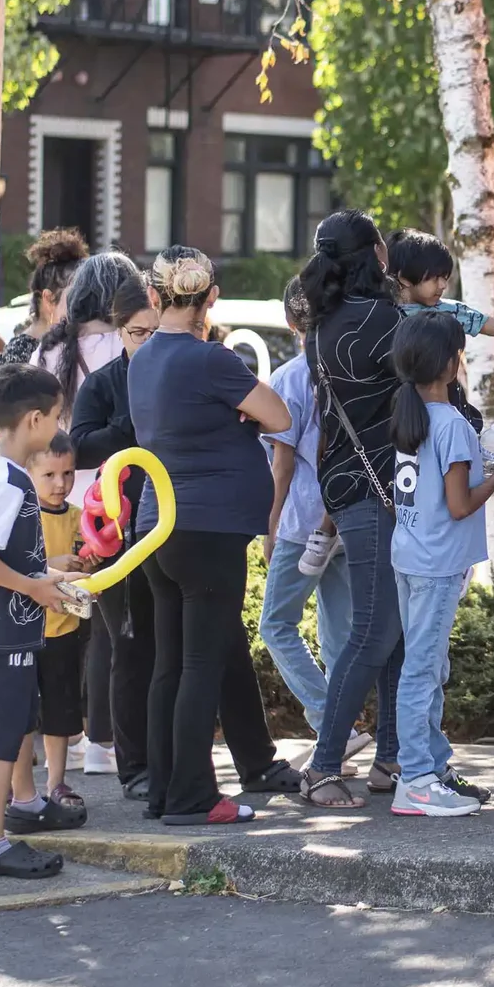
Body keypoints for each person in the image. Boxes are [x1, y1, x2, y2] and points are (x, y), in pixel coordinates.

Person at [129, 246, 298, 826]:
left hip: (158, 525)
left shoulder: (141, 358)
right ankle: (193, 796)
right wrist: (239, 415)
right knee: (201, 664)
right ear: (212, 298)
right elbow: (280, 416)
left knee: (170, 665)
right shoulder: (213, 360)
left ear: (154, 297)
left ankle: (163, 791)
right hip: (209, 525)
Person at [386, 311, 494, 817]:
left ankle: (434, 767)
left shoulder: (409, 416)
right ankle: (417, 780)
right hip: (438, 563)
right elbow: (460, 505)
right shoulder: (453, 425)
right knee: (422, 671)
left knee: (428, 666)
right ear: (450, 363)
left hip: (410, 554)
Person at [0, 363, 87, 879]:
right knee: (1, 742)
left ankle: (27, 805)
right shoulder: (9, 482)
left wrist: (53, 576)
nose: (59, 425)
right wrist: (35, 588)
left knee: (15, 728)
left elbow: (10, 556)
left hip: (8, 629)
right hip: (0, 635)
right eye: (56, 416)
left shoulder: (2, 473)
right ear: (35, 420)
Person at [301, 211, 411, 809]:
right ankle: (322, 767)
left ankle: (390, 758)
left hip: (346, 483)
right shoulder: (386, 319)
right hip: (380, 488)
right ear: (375, 254)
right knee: (374, 631)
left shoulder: (323, 322)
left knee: (389, 630)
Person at [36, 254, 144, 776]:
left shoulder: (51, 346)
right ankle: (103, 741)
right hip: (109, 502)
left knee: (60, 627)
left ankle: (68, 737)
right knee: (108, 627)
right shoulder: (122, 345)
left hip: (56, 497)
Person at [259, 278, 356, 739]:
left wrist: (270, 525)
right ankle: (341, 731)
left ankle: (330, 723)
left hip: (302, 521)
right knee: (340, 636)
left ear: (289, 322)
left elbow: (282, 465)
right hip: (346, 517)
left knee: (276, 625)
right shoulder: (351, 369)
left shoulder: (289, 378)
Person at [71, 289, 159, 795]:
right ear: (119, 331)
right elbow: (79, 446)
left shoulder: (176, 372)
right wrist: (127, 428)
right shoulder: (105, 382)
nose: (146, 341)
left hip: (176, 522)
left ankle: (168, 756)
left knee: (171, 646)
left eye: (155, 331)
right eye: (137, 332)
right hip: (119, 531)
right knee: (127, 645)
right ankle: (135, 766)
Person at [30, 432, 95, 814]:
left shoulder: (77, 517)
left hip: (64, 631)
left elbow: (89, 564)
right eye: (50, 475)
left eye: (68, 473)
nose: (60, 483)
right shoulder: (23, 516)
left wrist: (89, 564)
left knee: (59, 712)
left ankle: (56, 782)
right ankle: (17, 787)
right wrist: (52, 564)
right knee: (22, 714)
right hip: (25, 632)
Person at [0, 228, 87, 369]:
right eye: (75, 297)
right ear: (49, 299)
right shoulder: (18, 357)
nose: (84, 304)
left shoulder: (79, 343)